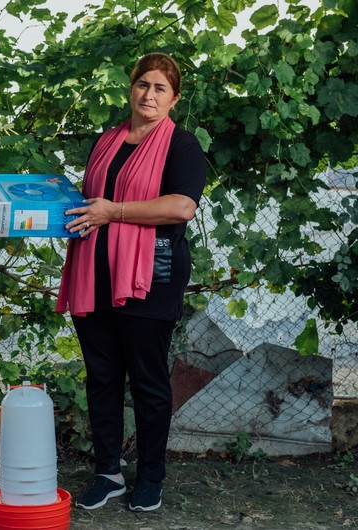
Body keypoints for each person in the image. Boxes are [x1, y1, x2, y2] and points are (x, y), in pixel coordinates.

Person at [56, 52, 207, 512]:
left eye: (161, 88)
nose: (149, 94)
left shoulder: (182, 146)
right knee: (102, 378)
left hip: (149, 279)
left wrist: (112, 212)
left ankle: (151, 475)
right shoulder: (106, 141)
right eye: (144, 84)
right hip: (94, 273)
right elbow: (88, 201)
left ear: (174, 99)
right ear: (131, 88)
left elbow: (182, 207)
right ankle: (108, 473)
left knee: (147, 381)